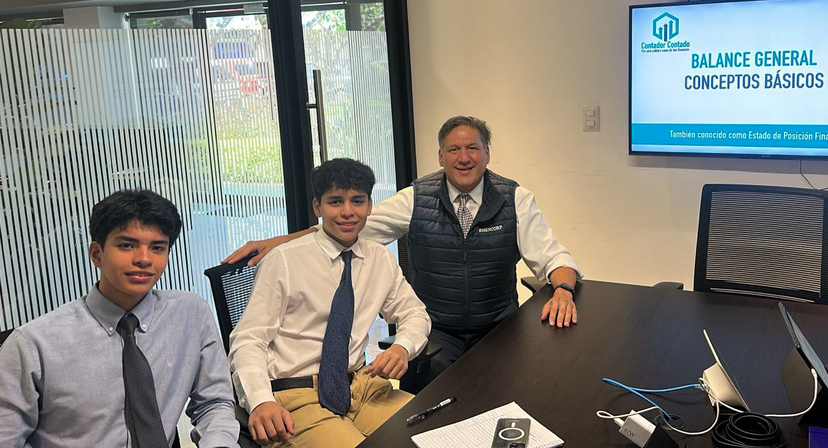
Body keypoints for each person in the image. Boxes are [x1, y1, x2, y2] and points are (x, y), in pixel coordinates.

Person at [224, 116, 581, 386]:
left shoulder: (515, 198)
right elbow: (350, 223)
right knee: (430, 408)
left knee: (526, 390)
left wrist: (563, 290)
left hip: (500, 327)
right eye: (453, 149)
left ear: (487, 153)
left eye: (473, 148)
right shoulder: (416, 198)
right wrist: (281, 242)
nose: (464, 157)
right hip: (436, 330)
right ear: (440, 156)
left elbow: (553, 257)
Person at [0, 189, 239, 448]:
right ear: (96, 254)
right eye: (127, 245)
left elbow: (214, 402)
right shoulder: (34, 344)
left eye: (157, 248)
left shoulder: (189, 315)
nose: (144, 259)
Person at [228, 158, 431, 447]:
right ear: (317, 207)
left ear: (369, 206)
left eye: (357, 201)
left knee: (434, 434)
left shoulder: (379, 259)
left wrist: (402, 347)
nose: (347, 212)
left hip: (362, 388)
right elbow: (249, 340)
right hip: (298, 396)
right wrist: (260, 401)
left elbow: (415, 313)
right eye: (335, 202)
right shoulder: (284, 260)